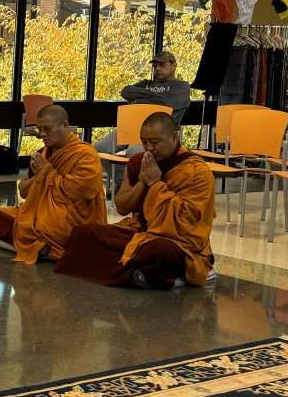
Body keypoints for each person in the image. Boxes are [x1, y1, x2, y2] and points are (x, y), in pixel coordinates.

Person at [55, 112, 215, 289]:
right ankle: (143, 274)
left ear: (175, 137)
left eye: (155, 142)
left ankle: (164, 272)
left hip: (177, 241)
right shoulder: (139, 162)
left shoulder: (197, 171)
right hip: (140, 230)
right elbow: (122, 206)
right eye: (144, 142)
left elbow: (186, 222)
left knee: (159, 251)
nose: (149, 148)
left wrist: (156, 183)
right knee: (83, 234)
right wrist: (143, 182)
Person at [0, 105, 106, 264]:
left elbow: (82, 192)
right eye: (39, 129)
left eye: (47, 129)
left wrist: (47, 173)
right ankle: (39, 247)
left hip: (70, 218)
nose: (42, 134)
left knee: (44, 228)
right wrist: (41, 175)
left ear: (65, 125)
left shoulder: (85, 154)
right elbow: (24, 191)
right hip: (40, 212)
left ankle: (40, 246)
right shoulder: (44, 153)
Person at [95, 51, 191, 168]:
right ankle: (122, 183)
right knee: (99, 149)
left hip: (157, 133)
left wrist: (139, 100)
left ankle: (134, 183)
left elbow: (167, 103)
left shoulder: (181, 86)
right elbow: (126, 92)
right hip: (131, 127)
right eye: (155, 65)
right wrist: (152, 95)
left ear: (174, 66)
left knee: (133, 153)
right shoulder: (147, 83)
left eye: (162, 65)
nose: (157, 68)